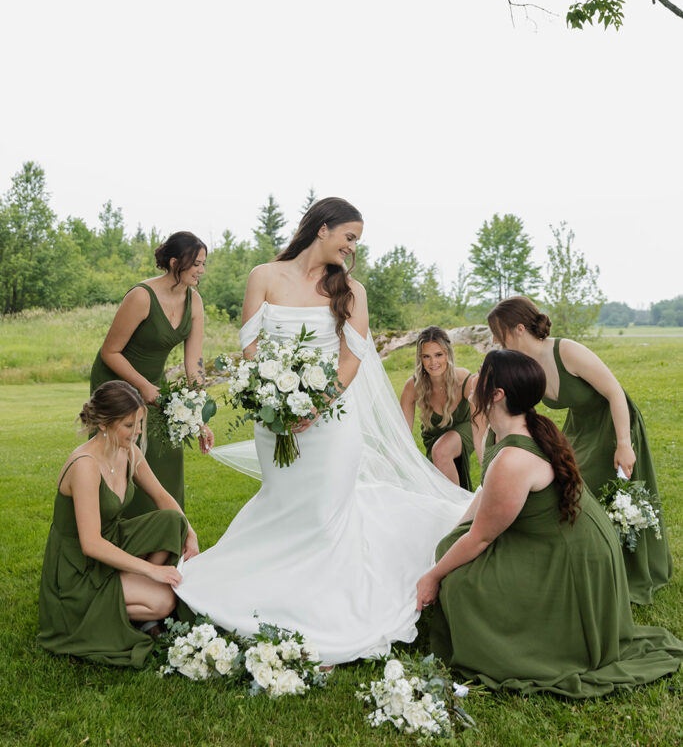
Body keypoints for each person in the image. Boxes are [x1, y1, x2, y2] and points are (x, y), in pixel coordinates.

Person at [176, 197, 473, 664]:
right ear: (323, 228)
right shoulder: (264, 276)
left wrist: (315, 404)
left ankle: (325, 603)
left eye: (357, 240)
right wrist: (276, 397)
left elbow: (351, 359)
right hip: (274, 418)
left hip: (332, 421)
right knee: (284, 503)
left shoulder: (351, 291)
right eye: (349, 236)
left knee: (325, 512)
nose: (353, 247)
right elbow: (251, 346)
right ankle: (271, 588)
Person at [417, 350, 682, 698]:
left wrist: (433, 576)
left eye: (483, 372)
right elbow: (484, 495)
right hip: (556, 539)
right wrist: (455, 534)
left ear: (496, 395)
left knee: (463, 583)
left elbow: (481, 538)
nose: (474, 375)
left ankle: (531, 643)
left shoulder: (515, 457)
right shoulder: (513, 427)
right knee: (451, 548)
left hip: (573, 560)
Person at [486, 296, 672, 604]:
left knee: (608, 494)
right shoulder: (527, 365)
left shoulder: (566, 351)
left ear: (518, 329)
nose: (495, 340)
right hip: (580, 428)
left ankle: (625, 566)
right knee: (569, 488)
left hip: (614, 424)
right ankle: (584, 562)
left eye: (498, 332)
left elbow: (614, 392)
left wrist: (624, 444)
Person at [38, 381, 198, 667]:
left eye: (138, 423)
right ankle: (115, 609)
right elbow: (90, 543)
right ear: (104, 424)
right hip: (78, 568)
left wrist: (190, 533)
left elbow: (162, 496)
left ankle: (133, 591)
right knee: (163, 603)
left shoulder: (128, 451)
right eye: (129, 425)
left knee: (173, 521)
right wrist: (153, 570)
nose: (137, 432)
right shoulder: (85, 465)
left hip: (112, 541)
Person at [90, 231, 214, 518]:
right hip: (116, 381)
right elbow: (110, 352)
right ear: (174, 262)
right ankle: (120, 532)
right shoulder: (141, 297)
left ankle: (165, 532)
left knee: (168, 449)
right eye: (196, 264)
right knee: (125, 453)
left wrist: (199, 416)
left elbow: (194, 364)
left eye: (203, 264)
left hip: (154, 386)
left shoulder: (194, 301)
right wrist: (143, 387)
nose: (201, 271)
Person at [400, 326, 476, 488]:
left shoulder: (464, 380)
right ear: (420, 359)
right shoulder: (413, 386)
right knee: (438, 462)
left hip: (466, 428)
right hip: (433, 437)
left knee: (441, 450)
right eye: (426, 356)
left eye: (438, 355)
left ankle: (456, 508)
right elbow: (402, 431)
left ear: (447, 354)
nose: (433, 362)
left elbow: (482, 420)